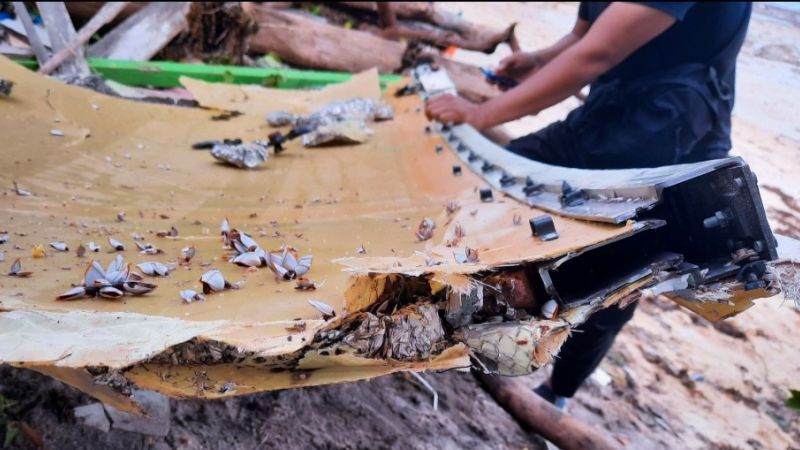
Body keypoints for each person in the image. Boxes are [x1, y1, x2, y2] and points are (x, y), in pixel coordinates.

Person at [425, 2, 752, 408]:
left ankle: (557, 394)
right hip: (610, 110)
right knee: (489, 191)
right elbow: (584, 37)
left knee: (610, 276)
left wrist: (479, 113)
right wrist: (539, 60)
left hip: (671, 134)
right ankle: (462, 322)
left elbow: (598, 53)